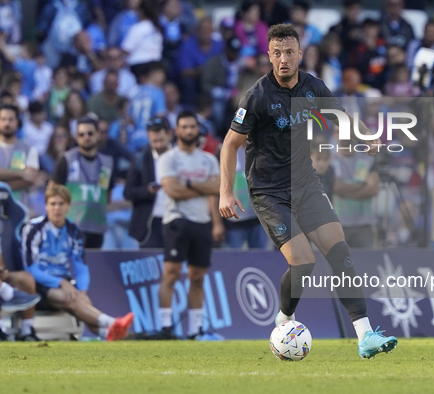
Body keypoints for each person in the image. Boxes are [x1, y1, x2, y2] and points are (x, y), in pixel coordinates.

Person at [219, 24, 398, 359]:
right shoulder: (257, 97)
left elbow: (341, 119)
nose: (284, 59)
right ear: (269, 56)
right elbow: (230, 145)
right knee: (303, 262)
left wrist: (365, 139)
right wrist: (225, 193)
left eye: (290, 52)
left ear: (300, 54)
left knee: (340, 253)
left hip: (306, 183)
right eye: (277, 53)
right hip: (269, 191)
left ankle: (365, 336)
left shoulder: (313, 87)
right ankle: (285, 318)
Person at [21, 185, 133, 340]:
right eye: (53, 204)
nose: (57, 208)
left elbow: (80, 266)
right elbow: (31, 269)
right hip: (39, 283)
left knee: (81, 300)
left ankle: (107, 333)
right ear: (46, 206)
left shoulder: (74, 230)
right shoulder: (33, 228)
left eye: (61, 204)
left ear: (68, 206)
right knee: (70, 298)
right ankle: (113, 322)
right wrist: (60, 282)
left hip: (64, 281)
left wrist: (82, 290)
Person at [156, 110, 221, 339]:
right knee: (171, 274)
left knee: (198, 277)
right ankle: (165, 326)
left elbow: (218, 189)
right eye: (184, 127)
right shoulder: (169, 158)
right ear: (177, 130)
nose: (189, 131)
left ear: (198, 129)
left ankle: (195, 330)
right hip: (177, 221)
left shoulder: (209, 159)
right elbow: (172, 190)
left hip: (202, 222)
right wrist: (203, 185)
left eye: (192, 127)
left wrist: (189, 183)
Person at [49, 117, 114, 249]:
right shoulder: (67, 159)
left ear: (98, 135)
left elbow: (107, 194)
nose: (86, 137)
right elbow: (52, 191)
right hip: (71, 226)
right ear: (76, 137)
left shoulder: (107, 163)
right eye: (81, 134)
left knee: (92, 268)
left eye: (90, 133)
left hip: (97, 228)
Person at [124, 115, 173, 248]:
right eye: (154, 138)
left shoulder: (179, 158)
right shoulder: (140, 158)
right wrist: (148, 191)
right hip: (149, 225)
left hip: (175, 221)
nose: (157, 140)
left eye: (160, 137)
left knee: (175, 266)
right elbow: (128, 192)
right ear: (148, 136)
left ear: (169, 134)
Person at [0, 104, 40, 205]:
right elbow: (26, 175)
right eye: (3, 119)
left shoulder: (29, 149)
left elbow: (31, 178)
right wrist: (20, 173)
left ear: (18, 122)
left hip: (19, 209)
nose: (7, 123)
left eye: (11, 119)